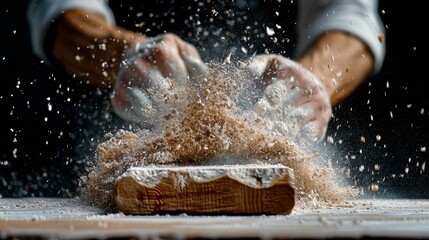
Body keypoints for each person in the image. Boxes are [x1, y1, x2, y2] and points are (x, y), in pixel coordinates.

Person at [26, 0, 385, 147]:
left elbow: (348, 15)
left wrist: (314, 80)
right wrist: (125, 54)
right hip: (96, 139)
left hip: (270, 130)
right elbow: (63, 14)